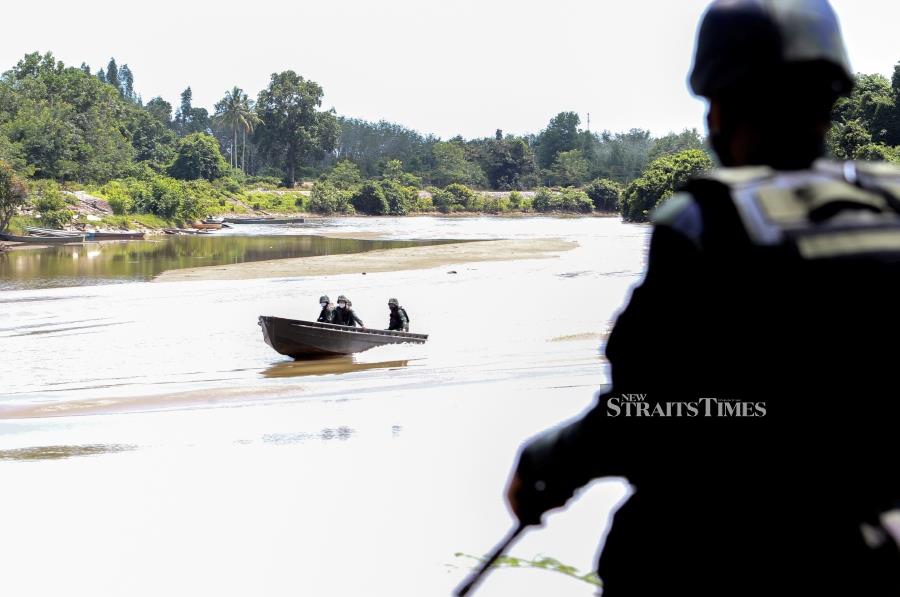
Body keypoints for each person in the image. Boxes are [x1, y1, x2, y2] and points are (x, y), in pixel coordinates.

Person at [504, 2, 900, 596]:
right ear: (832, 95)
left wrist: (546, 462)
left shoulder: (708, 220)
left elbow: (641, 413)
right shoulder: (892, 204)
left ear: (718, 108)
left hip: (746, 555)